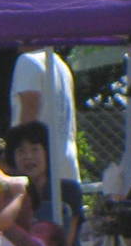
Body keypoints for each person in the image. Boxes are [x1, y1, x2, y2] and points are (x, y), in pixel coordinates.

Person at [6, 120, 82, 246]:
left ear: (47, 153)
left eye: (34, 149)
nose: (28, 156)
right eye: (21, 151)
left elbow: (66, 241)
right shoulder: (8, 194)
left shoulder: (68, 190)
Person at [9, 48, 80, 185]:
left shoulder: (27, 61)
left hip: (41, 173)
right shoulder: (61, 65)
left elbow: (29, 112)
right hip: (66, 166)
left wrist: (23, 162)